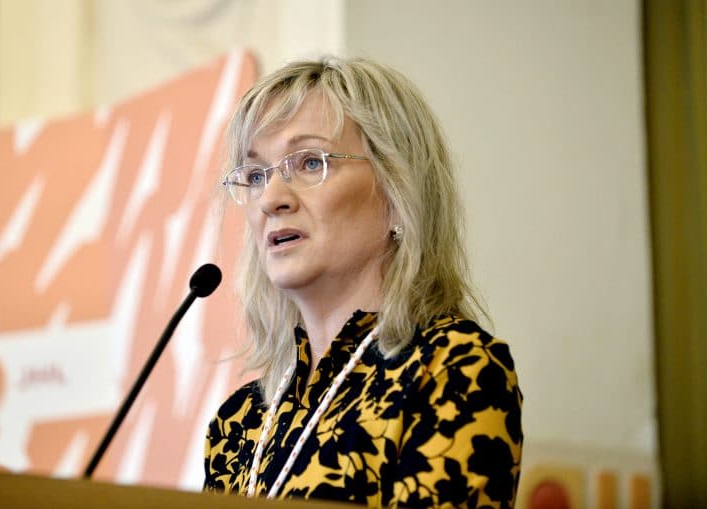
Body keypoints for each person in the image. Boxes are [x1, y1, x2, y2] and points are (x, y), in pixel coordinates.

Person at [204, 56, 522, 508]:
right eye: (256, 175)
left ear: (397, 193)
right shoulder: (238, 423)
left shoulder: (452, 369)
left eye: (309, 163)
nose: (271, 198)